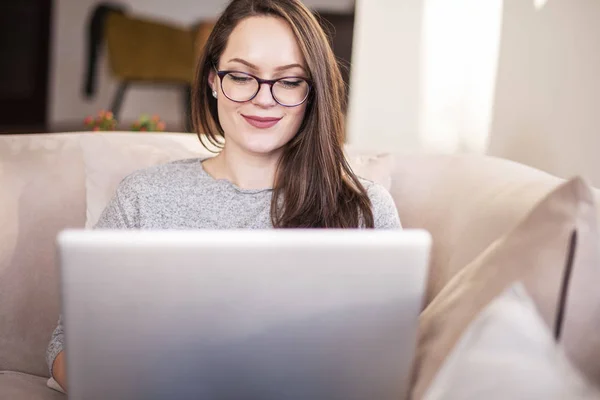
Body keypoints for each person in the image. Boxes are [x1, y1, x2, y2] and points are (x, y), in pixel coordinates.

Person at [47, 0, 402, 391]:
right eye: (241, 76)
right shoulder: (145, 198)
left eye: (288, 81)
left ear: (312, 91)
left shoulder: (361, 210)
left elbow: (389, 361)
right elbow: (68, 347)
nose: (263, 98)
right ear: (214, 80)